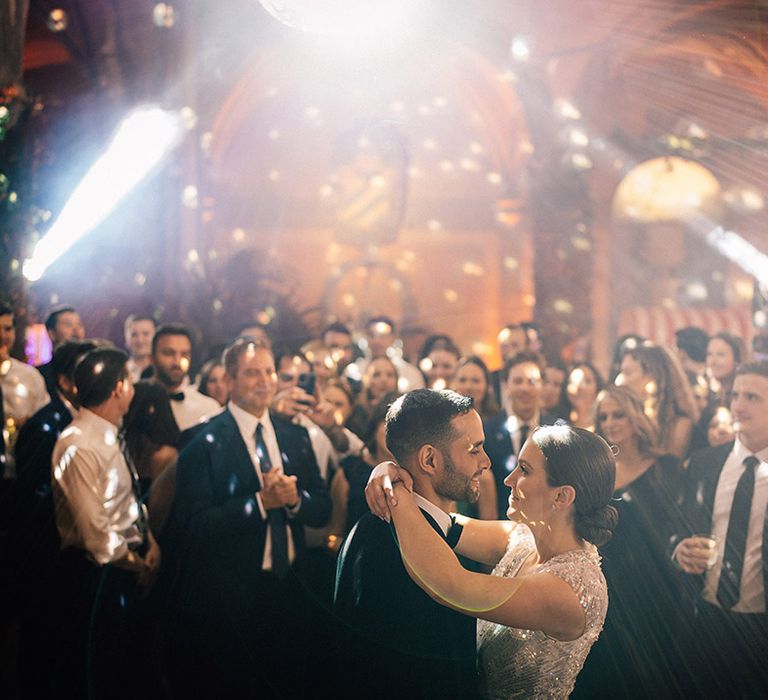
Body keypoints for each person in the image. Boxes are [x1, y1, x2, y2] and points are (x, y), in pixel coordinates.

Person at [365, 421, 615, 699]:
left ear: (562, 495)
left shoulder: (571, 590)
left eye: (525, 470)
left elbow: (449, 584)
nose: (508, 479)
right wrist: (386, 471)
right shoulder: (521, 537)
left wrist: (394, 492)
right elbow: (444, 525)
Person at [168, 337, 331, 696]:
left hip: (292, 590)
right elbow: (194, 525)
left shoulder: (295, 435)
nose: (265, 381)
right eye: (251, 373)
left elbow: (322, 508)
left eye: (270, 372)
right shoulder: (201, 439)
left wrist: (293, 501)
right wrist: (259, 503)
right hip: (232, 597)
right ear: (229, 380)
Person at [334, 389, 486, 700]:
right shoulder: (385, 548)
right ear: (429, 459)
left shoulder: (440, 529)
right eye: (474, 450)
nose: (486, 462)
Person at [50, 347, 160, 698]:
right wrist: (135, 562)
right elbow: (93, 532)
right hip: (95, 575)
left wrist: (150, 539)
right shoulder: (78, 444)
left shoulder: (110, 433)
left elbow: (124, 502)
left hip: (122, 567)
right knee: (104, 674)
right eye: (129, 381)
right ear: (118, 388)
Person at [573, 385, 690, 698]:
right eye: (604, 416)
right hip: (606, 584)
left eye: (619, 414)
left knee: (655, 674)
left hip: (658, 584)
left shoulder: (665, 466)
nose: (610, 422)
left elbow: (681, 523)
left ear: (636, 417)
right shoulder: (593, 473)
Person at [673, 360, 768, 698]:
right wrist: (679, 548)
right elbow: (680, 527)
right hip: (705, 621)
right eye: (735, 395)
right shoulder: (704, 463)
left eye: (753, 397)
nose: (738, 405)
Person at [484, 351, 557, 518]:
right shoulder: (487, 430)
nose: (525, 388)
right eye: (517, 381)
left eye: (532, 382)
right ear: (506, 385)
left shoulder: (557, 431)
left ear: (542, 385)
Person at [617, 342, 697, 459]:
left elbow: (668, 467)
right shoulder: (620, 415)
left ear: (653, 375)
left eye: (628, 373)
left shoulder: (680, 423)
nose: (620, 381)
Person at [0, 301, 49, 474]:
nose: (2, 336)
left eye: (7, 329)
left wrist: (29, 424)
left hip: (25, 469)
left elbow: (45, 424)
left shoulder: (30, 376)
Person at [150, 323, 221, 431]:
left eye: (184, 354)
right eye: (169, 353)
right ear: (152, 358)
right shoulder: (135, 403)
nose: (177, 362)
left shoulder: (208, 409)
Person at [345, 315, 425, 392]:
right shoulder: (353, 371)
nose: (377, 341)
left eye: (383, 336)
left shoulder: (410, 373)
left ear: (393, 338)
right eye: (371, 335)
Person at [37, 305, 86, 397]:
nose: (76, 330)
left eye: (79, 324)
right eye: (68, 324)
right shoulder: (38, 376)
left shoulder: (90, 371)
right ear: (52, 333)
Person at [451, 355, 500, 420]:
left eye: (475, 381)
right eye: (462, 380)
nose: (468, 387)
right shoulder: (444, 422)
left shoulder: (498, 423)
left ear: (487, 385)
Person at [558, 362, 603, 430]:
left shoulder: (606, 423)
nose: (579, 387)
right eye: (572, 382)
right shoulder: (557, 424)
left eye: (587, 381)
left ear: (598, 386)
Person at [705, 331, 743, 404]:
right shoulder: (709, 395)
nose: (713, 361)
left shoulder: (742, 396)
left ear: (736, 359)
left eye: (720, 355)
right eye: (709, 354)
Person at [124, 314, 156, 382]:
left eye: (145, 334)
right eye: (134, 335)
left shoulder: (164, 371)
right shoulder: (120, 372)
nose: (140, 341)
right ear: (126, 339)